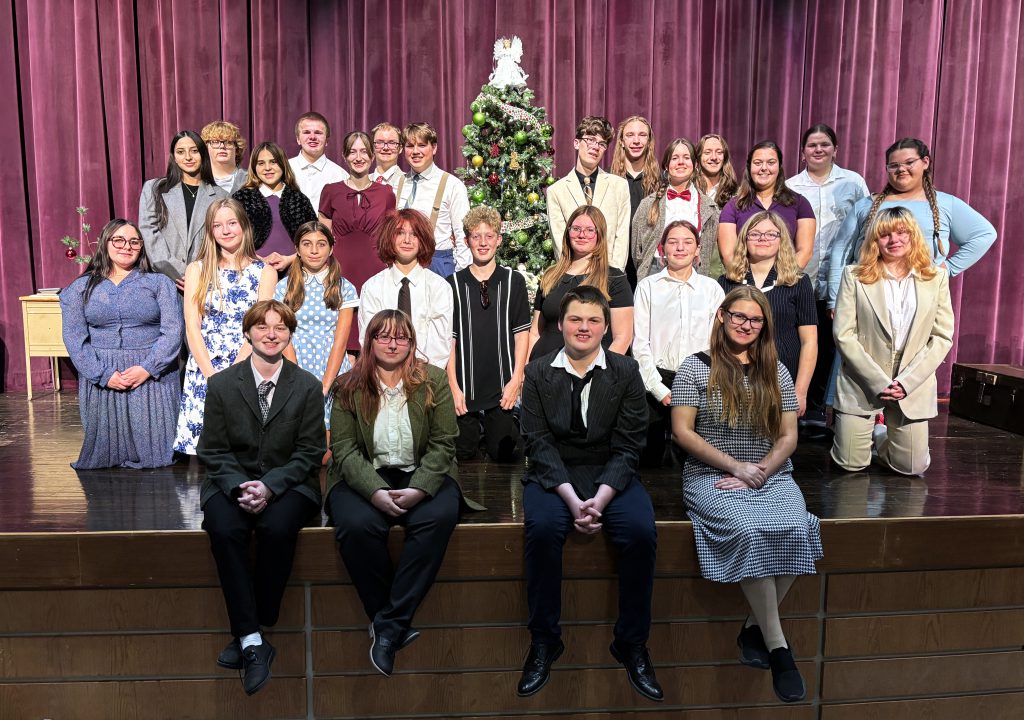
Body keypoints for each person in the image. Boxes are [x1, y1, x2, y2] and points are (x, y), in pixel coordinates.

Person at [671, 286, 823, 704]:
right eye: (739, 316)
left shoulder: (777, 370)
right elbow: (682, 431)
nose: (746, 325)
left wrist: (759, 472)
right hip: (712, 474)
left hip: (770, 473)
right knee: (748, 529)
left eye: (755, 320)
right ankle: (779, 650)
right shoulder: (695, 367)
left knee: (799, 525)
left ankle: (755, 628)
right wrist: (735, 467)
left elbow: (789, 437)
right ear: (721, 316)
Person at [517, 285, 661, 702]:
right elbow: (538, 443)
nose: (584, 327)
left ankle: (631, 643)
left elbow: (630, 443)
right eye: (575, 319)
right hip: (555, 472)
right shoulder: (538, 372)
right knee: (542, 530)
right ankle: (545, 641)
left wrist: (598, 500)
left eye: (593, 320)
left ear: (605, 326)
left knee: (639, 532)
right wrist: (568, 497)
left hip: (611, 472)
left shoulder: (625, 371)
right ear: (560, 324)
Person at [326, 309, 483, 676]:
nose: (393, 344)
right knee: (356, 525)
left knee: (438, 517)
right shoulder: (348, 385)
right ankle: (392, 624)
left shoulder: (432, 381)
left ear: (412, 344)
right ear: (370, 341)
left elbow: (445, 444)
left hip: (421, 471)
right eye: (384, 336)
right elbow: (346, 452)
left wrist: (419, 489)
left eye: (401, 337)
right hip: (365, 474)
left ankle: (387, 627)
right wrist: (375, 491)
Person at [198, 299, 325, 696]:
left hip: (290, 483)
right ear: (248, 333)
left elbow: (309, 453)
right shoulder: (221, 384)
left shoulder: (307, 385)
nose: (272, 334)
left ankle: (253, 626)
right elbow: (213, 451)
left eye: (280, 327)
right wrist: (241, 486)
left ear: (290, 334)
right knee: (224, 528)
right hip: (231, 481)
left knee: (276, 525)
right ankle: (254, 640)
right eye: (263, 327)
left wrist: (270, 486)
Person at [831, 207, 954, 475]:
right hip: (862, 380)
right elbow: (844, 334)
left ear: (913, 237)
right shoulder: (854, 275)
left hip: (912, 380)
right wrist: (878, 381)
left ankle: (880, 437)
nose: (894, 240)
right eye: (885, 235)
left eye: (902, 233)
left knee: (911, 467)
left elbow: (942, 336)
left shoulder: (936, 278)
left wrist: (906, 382)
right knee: (850, 464)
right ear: (875, 240)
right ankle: (860, 434)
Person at [60, 218, 183, 469]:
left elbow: (173, 331)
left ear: (141, 247)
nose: (126, 246)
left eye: (134, 241)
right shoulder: (80, 288)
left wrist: (148, 368)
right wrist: (103, 374)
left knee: (157, 457)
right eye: (119, 239)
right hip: (104, 372)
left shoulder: (160, 283)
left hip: (152, 375)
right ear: (105, 243)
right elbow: (74, 338)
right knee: (103, 457)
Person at [827, 137, 998, 310]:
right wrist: (834, 299)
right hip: (867, 299)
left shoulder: (945, 204)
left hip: (921, 301)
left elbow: (984, 234)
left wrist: (948, 268)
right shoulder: (865, 205)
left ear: (925, 162)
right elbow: (841, 250)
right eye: (894, 165)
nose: (901, 169)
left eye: (909, 162)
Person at [173, 199, 278, 455]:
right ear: (210, 231)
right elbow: (192, 326)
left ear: (244, 226)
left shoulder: (264, 272)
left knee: (245, 452)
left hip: (246, 364)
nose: (226, 230)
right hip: (205, 364)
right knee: (208, 458)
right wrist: (211, 376)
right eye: (218, 225)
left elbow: (260, 328)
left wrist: (235, 373)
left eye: (232, 223)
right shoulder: (197, 270)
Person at [787, 124, 870, 427]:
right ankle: (798, 405)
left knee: (834, 343)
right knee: (803, 342)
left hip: (840, 278)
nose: (818, 150)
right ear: (803, 151)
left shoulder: (853, 183)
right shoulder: (792, 186)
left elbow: (865, 226)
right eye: (812, 145)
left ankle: (822, 410)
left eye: (824, 144)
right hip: (802, 276)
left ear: (835, 149)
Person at [632, 220, 724, 467]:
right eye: (672, 242)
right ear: (662, 249)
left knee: (695, 459)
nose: (680, 248)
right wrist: (659, 389)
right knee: (649, 457)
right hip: (657, 379)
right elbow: (640, 344)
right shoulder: (647, 287)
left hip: (700, 379)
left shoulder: (712, 289)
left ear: (697, 250)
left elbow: (718, 342)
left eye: (687, 242)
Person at [447, 207, 531, 462]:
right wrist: (453, 387)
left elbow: (521, 335)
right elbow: (449, 341)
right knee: (463, 453)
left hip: (501, 389)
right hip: (465, 387)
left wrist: (516, 379)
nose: (483, 242)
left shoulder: (513, 281)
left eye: (489, 236)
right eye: (476, 236)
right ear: (466, 241)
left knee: (505, 453)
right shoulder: (453, 284)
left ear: (499, 239)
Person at [718, 212, 817, 415]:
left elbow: (809, 342)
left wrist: (801, 391)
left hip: (782, 381)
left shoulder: (798, 282)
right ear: (744, 239)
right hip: (733, 380)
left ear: (782, 240)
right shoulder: (726, 282)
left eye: (771, 234)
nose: (763, 239)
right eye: (755, 234)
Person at [275, 221, 359, 428]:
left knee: (327, 441)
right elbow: (283, 336)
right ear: (297, 249)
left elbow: (341, 341)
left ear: (331, 248)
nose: (314, 251)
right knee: (294, 434)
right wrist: (296, 380)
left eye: (321, 244)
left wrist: (326, 385)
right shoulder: (283, 287)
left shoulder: (344, 287)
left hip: (331, 364)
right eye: (306, 244)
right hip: (294, 363)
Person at [528, 205, 633, 360]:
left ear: (600, 235)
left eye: (590, 230)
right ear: (568, 232)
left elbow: (622, 337)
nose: (582, 235)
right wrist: (527, 371)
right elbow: (535, 332)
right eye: (576, 228)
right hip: (543, 371)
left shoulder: (613, 279)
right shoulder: (551, 276)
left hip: (590, 374)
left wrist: (601, 375)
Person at [358, 208, 453, 369]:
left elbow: (441, 341)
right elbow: (368, 337)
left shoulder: (438, 287)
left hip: (425, 374)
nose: (407, 240)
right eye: (400, 233)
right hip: (383, 373)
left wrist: (420, 373)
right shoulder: (373, 287)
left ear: (423, 240)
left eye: (414, 234)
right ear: (390, 237)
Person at [318, 130, 397, 324]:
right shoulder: (331, 190)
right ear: (345, 156)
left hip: (376, 270)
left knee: (375, 328)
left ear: (372, 156)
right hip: (340, 270)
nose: (358, 157)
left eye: (364, 152)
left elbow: (390, 237)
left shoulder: (386, 193)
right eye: (353, 152)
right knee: (342, 329)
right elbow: (322, 239)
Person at [139, 130, 227, 288]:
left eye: (194, 151)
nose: (188, 157)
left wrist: (199, 275)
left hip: (206, 281)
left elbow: (223, 241)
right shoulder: (154, 188)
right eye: (180, 152)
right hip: (163, 280)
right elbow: (149, 232)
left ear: (203, 154)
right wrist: (179, 272)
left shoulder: (221, 196)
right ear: (173, 156)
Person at [546, 116, 632, 271]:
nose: (595, 147)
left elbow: (622, 237)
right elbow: (560, 242)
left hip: (609, 275)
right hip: (573, 276)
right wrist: (574, 275)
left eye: (601, 143)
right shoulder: (556, 191)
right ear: (577, 143)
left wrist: (613, 275)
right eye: (590, 140)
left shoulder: (619, 186)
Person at [632, 137, 722, 281]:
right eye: (675, 158)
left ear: (695, 164)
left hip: (695, 272)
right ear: (667, 165)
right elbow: (637, 250)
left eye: (686, 158)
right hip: (655, 271)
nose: (681, 162)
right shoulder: (647, 205)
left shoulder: (710, 208)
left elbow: (709, 248)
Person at [718, 141, 815, 271]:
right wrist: (749, 283)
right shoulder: (732, 207)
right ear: (749, 167)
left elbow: (805, 252)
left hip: (786, 283)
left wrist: (780, 281)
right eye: (758, 163)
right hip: (745, 285)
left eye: (771, 163)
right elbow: (729, 255)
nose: (764, 168)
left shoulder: (800, 204)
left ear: (779, 167)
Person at [394, 122, 471, 276]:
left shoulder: (452, 185)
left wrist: (460, 279)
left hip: (438, 264)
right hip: (402, 265)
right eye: (410, 146)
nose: (415, 151)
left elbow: (463, 236)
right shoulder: (397, 183)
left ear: (434, 148)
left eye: (422, 145)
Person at [232, 141, 318, 275]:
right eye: (261, 163)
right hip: (251, 272)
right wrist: (260, 260)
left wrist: (289, 259)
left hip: (294, 273)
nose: (267, 168)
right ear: (254, 167)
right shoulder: (241, 198)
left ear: (283, 164)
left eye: (273, 162)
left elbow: (315, 238)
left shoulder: (299, 199)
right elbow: (231, 239)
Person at [609, 116, 659, 287]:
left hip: (650, 267)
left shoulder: (661, 183)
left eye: (642, 135)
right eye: (630, 135)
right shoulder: (609, 181)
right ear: (622, 141)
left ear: (649, 141)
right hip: (616, 265)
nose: (636, 140)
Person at [288, 111, 349, 212]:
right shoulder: (283, 170)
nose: (312, 137)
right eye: (306, 132)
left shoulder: (341, 176)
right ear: (298, 139)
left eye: (318, 133)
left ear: (327, 141)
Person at [201, 120, 248, 194]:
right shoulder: (198, 182)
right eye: (215, 142)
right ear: (206, 148)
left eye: (228, 142)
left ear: (237, 147)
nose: (222, 146)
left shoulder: (251, 180)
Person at [694, 133, 738, 207]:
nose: (714, 157)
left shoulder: (736, 193)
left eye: (719, 152)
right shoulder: (690, 189)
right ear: (699, 157)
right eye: (707, 152)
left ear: (725, 158)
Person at [368, 122, 404, 192]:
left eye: (392, 143)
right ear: (372, 147)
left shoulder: (409, 183)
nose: (385, 148)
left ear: (400, 148)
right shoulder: (361, 183)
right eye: (379, 142)